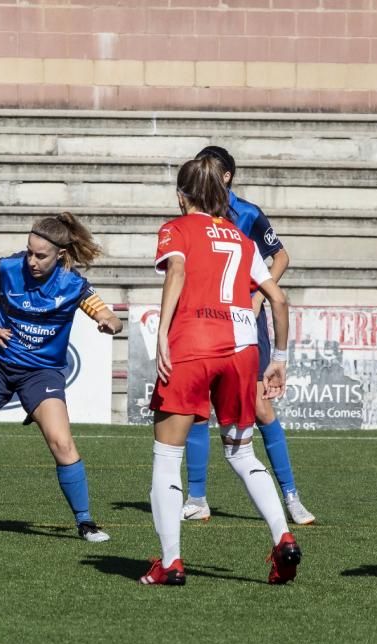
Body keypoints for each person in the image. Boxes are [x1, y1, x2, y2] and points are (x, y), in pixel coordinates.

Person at [140, 155, 302, 586]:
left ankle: (170, 563)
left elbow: (176, 269)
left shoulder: (175, 228)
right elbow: (280, 300)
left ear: (181, 196)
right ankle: (282, 537)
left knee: (166, 458)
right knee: (242, 452)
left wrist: (161, 332)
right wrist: (280, 360)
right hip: (242, 349)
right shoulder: (240, 237)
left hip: (192, 344)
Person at [0, 212, 122, 542]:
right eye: (29, 252)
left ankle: (85, 521)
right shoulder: (8, 268)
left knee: (61, 442)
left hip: (40, 372)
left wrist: (109, 323)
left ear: (61, 255)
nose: (31, 261)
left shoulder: (73, 284)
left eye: (40, 255)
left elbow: (105, 313)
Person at [179, 146, 315, 526]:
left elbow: (281, 256)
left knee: (260, 407)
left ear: (226, 177)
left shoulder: (248, 213)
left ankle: (291, 497)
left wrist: (258, 295)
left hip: (243, 322)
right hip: (204, 320)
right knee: (197, 410)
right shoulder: (192, 213)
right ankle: (197, 497)